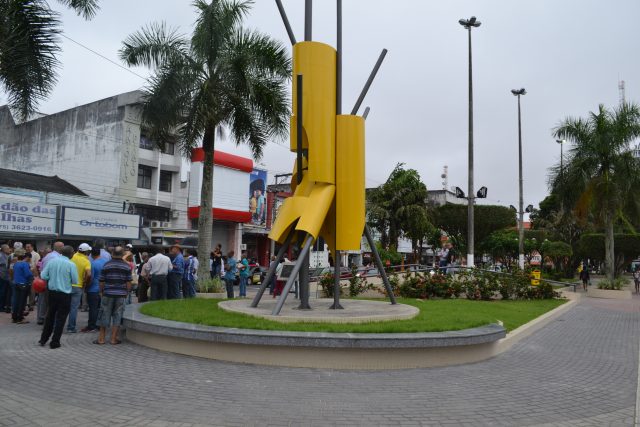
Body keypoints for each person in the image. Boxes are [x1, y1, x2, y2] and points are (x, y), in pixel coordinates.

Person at [39, 246, 78, 349]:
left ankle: (43, 339)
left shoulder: (52, 261)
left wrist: (51, 278)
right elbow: (75, 281)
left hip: (52, 292)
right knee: (61, 318)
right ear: (70, 254)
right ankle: (55, 342)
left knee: (50, 316)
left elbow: (43, 275)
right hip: (65, 294)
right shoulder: (71, 264)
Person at [94, 246, 132, 345]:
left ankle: (101, 339)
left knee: (104, 314)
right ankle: (113, 339)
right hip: (120, 295)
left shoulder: (106, 265)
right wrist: (126, 292)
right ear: (123, 255)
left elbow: (102, 281)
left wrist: (101, 291)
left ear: (112, 254)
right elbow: (128, 282)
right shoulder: (126, 266)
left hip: (107, 293)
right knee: (117, 315)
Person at [67, 243, 92, 333]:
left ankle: (57, 326)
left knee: (63, 307)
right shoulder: (86, 261)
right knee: (73, 308)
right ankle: (71, 328)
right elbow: (89, 274)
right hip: (78, 286)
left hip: (67, 285)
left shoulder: (72, 256)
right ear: (86, 251)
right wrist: (86, 282)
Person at [81, 248, 106, 332]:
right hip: (103, 289)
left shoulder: (93, 264)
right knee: (100, 308)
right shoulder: (105, 262)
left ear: (91, 254)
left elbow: (90, 277)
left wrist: (86, 286)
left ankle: (92, 326)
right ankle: (99, 325)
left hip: (93, 289)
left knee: (93, 308)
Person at [11, 248, 33, 324]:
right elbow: (28, 274)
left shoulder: (16, 263)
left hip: (16, 283)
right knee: (22, 301)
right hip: (23, 284)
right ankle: (20, 318)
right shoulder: (25, 264)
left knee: (16, 300)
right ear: (24, 255)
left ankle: (14, 317)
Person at [25, 243, 40, 311]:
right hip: (25, 275)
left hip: (32, 274)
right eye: (26, 247)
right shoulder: (24, 254)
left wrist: (35, 274)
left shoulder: (36, 254)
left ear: (32, 247)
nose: (27, 248)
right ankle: (24, 304)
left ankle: (31, 305)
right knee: (25, 291)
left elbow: (37, 265)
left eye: (28, 247)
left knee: (32, 291)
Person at [0, 244, 10, 314]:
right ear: (3, 249)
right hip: (2, 276)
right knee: (2, 292)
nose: (9, 249)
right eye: (7, 248)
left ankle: (3, 306)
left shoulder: (7, 256)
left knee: (5, 292)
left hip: (6, 276)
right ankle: (1, 307)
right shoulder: (0, 256)